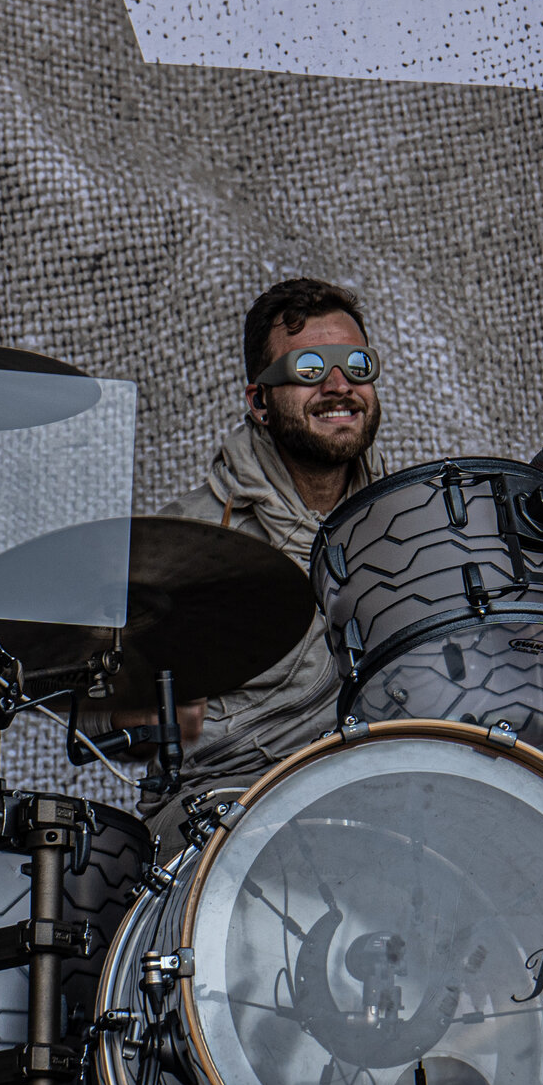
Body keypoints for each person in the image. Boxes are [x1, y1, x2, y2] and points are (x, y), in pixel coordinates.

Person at [136, 278, 388, 818]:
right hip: (229, 807)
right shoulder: (187, 539)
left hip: (378, 794)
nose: (339, 385)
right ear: (259, 401)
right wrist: (146, 710)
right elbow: (96, 695)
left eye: (357, 366)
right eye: (309, 369)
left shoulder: (407, 525)